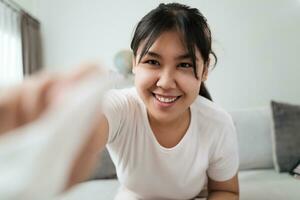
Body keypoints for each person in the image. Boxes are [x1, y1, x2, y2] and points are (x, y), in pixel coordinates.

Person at [93, 3, 239, 200]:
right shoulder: (121, 107)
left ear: (204, 70)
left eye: (185, 65)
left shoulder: (218, 123)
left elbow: (226, 190)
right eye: (153, 62)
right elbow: (86, 132)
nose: (166, 82)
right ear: (135, 62)